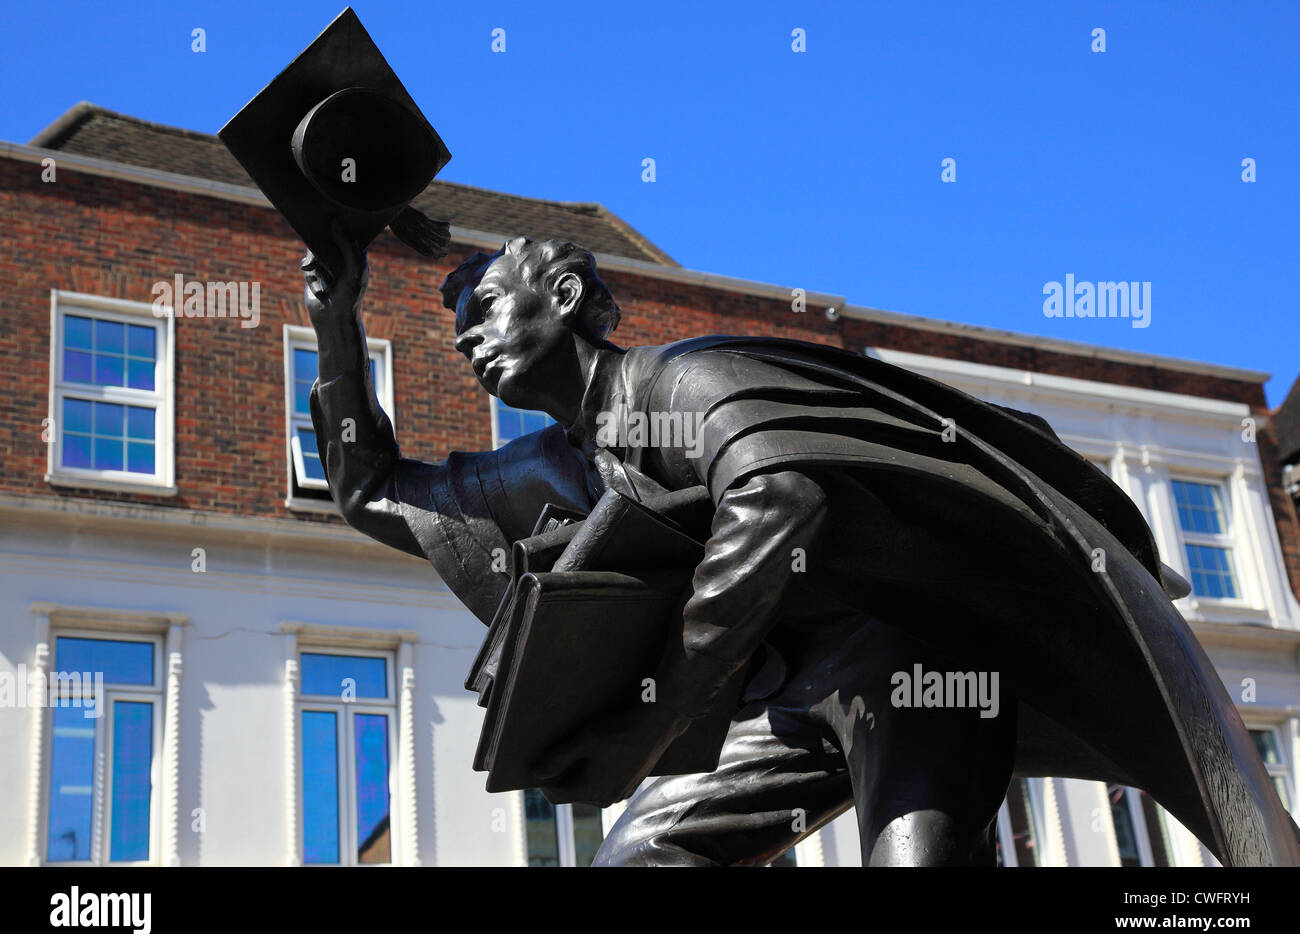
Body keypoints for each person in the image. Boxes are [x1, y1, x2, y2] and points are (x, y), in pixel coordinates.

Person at [301, 228, 1300, 867]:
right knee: (635, 861)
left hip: (912, 660)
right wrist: (333, 319)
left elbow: (776, 506)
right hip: (785, 698)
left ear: (562, 296)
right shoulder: (552, 467)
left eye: (484, 312)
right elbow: (373, 493)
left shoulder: (693, 379)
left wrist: (645, 730)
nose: (464, 339)